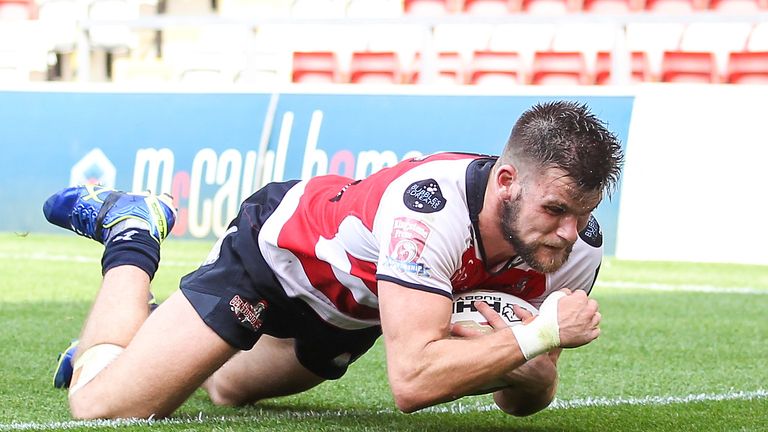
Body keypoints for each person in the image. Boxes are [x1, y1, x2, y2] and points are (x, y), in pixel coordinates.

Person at [43, 100, 623, 420]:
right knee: (106, 407)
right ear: (506, 181)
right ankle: (133, 233)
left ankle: (148, 331)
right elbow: (413, 381)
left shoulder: (576, 245)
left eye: (584, 213)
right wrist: (538, 335)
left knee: (226, 390)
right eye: (555, 210)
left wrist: (537, 365)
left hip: (349, 313)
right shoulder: (430, 210)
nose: (568, 233)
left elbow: (522, 399)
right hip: (277, 260)